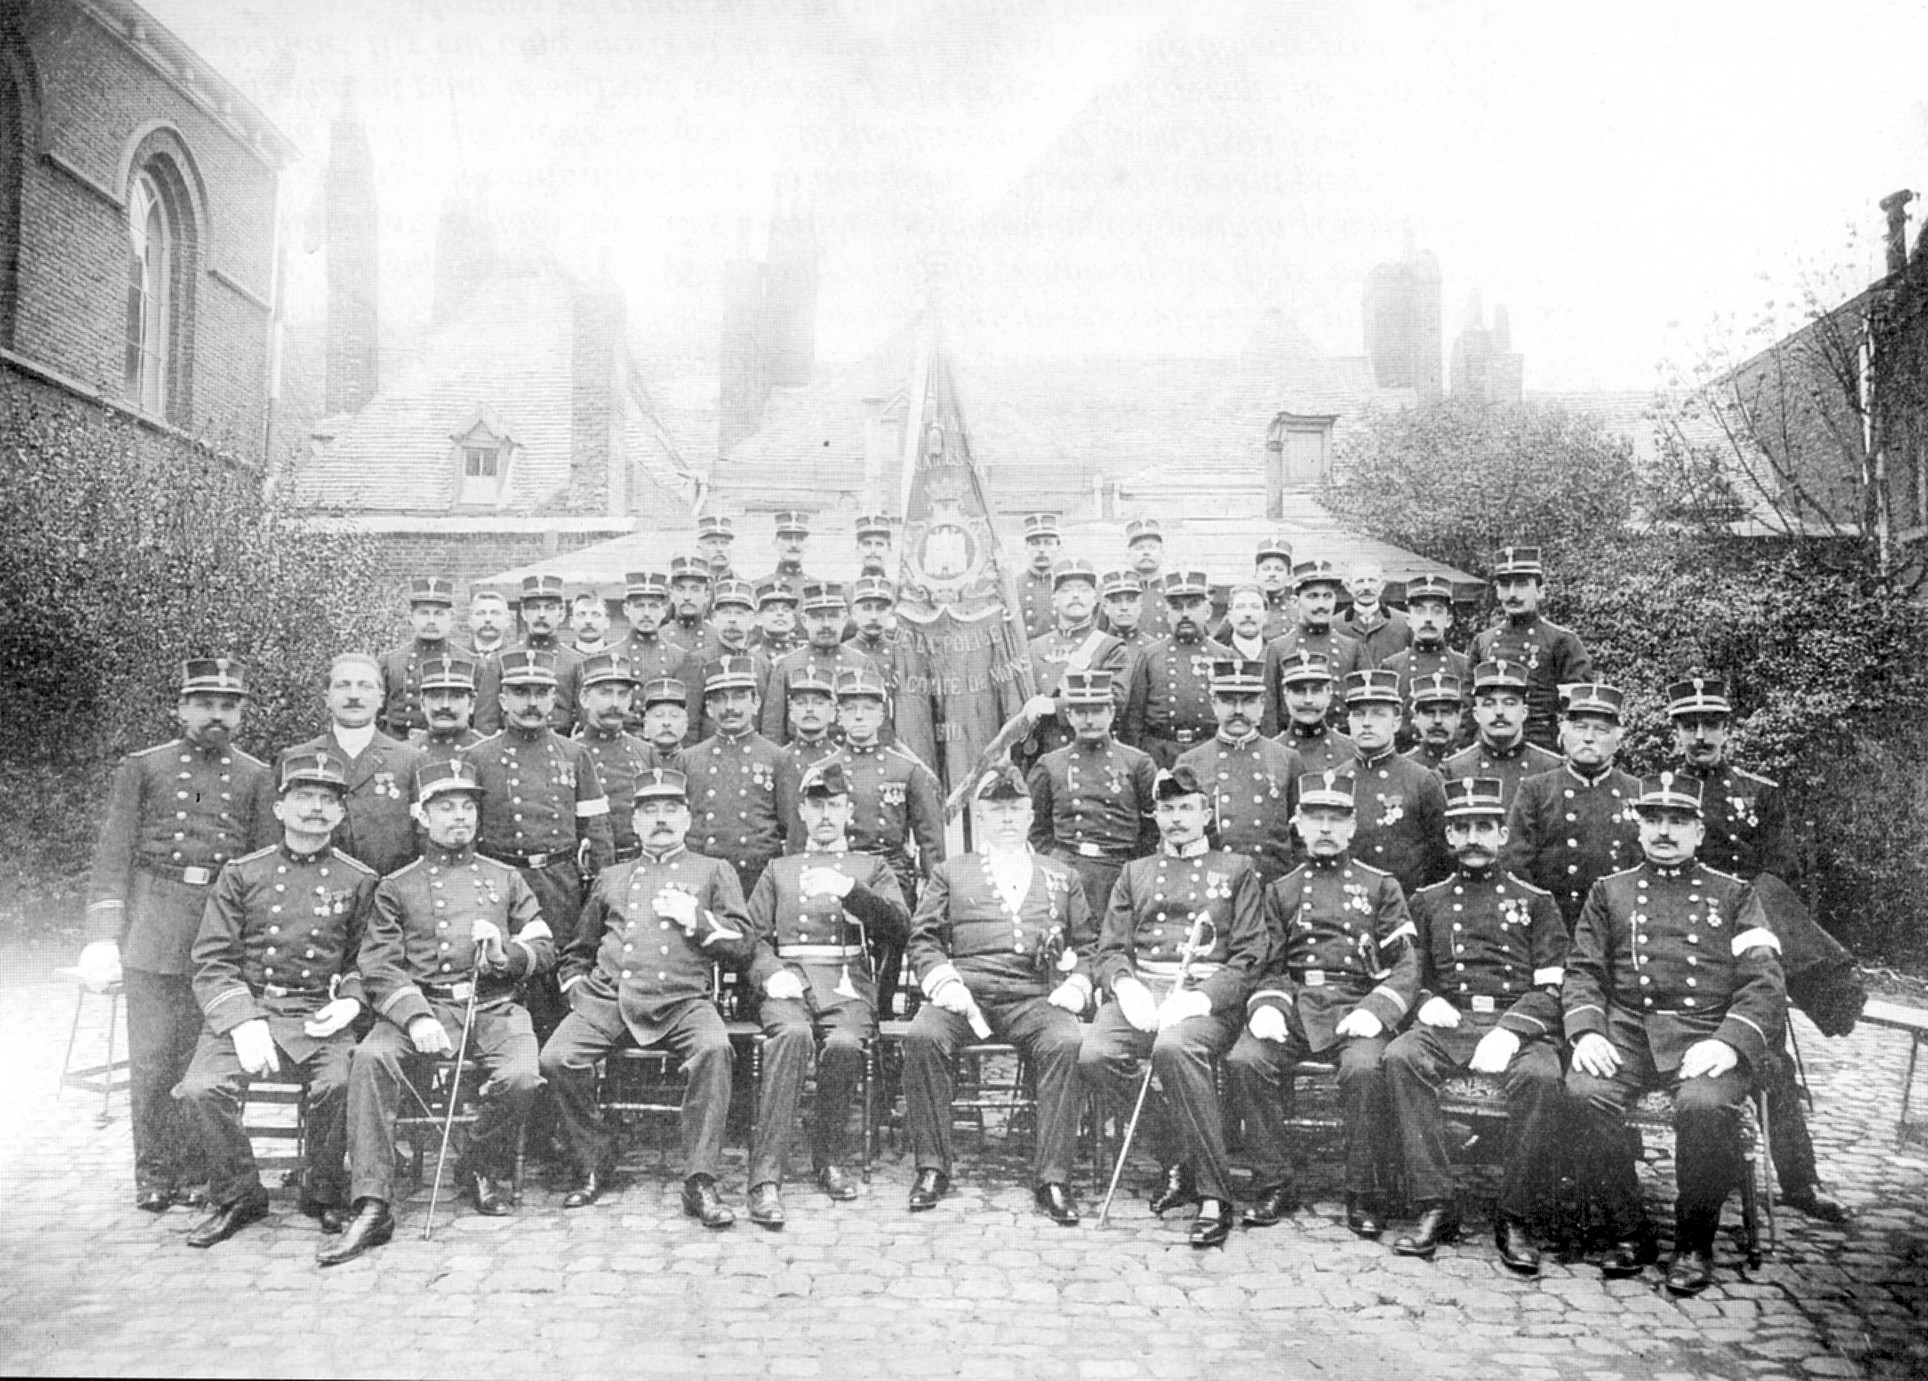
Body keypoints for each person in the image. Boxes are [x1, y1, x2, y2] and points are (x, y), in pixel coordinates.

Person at [320, 759, 554, 1266]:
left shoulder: (506, 879)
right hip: (421, 1007)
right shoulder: (396, 885)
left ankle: (476, 1165)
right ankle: (372, 1200)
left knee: (522, 1077)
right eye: (444, 807)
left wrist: (504, 953)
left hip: (493, 1007)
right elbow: (378, 965)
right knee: (369, 1059)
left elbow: (543, 948)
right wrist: (416, 1015)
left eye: (467, 806)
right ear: (420, 816)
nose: (458, 817)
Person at [1563, 771, 1786, 1295]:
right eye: (1654, 820)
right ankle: (1631, 1231)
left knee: (1705, 1107)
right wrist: (1586, 1032)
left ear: (1700, 831)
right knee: (1584, 1093)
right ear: (1639, 829)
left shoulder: (1736, 895)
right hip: (1626, 1031)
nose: (1665, 831)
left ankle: (1693, 1242)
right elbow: (1583, 971)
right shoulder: (1608, 891)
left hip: (1704, 1033)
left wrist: (1730, 1041)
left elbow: (1764, 978)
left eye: (1678, 821)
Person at [81, 657, 277, 1211]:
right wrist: (102, 933)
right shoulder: (145, 767)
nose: (217, 715)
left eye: (228, 705)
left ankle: (201, 1169)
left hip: (219, 929)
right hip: (154, 923)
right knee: (152, 1059)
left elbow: (261, 865)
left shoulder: (257, 775)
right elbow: (113, 852)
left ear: (240, 713)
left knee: (204, 1060)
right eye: (205, 704)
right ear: (181, 708)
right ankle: (154, 1171)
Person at [1668, 675, 1858, 1222]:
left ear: (1727, 729)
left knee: (1770, 1060)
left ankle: (1801, 1182)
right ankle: (1711, 1166)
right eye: (1689, 724)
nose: (1700, 734)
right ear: (1676, 730)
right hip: (1679, 943)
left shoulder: (1760, 792)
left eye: (1710, 724)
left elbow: (1783, 877)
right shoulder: (1656, 790)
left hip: (1747, 944)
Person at [174, 749, 375, 1248]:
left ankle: (323, 1192)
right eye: (303, 797)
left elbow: (367, 959)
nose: (315, 809)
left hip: (316, 1014)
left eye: (328, 800)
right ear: (280, 808)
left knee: (340, 1083)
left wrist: (351, 1000)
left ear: (341, 813)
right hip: (253, 1007)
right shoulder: (242, 873)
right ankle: (240, 1194)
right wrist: (242, 1020)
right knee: (202, 1088)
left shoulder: (360, 879)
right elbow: (213, 958)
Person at [538, 768, 756, 1227]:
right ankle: (595, 1158)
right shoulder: (612, 876)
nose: (661, 820)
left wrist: (697, 919)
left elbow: (741, 944)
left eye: (671, 810)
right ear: (634, 823)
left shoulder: (714, 872)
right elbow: (578, 950)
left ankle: (700, 1179)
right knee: (557, 1058)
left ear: (688, 819)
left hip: (683, 1000)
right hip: (611, 997)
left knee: (715, 1050)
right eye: (650, 812)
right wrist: (579, 991)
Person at [1079, 764, 1270, 1247]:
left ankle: (1213, 1195)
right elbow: (1110, 948)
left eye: (1187, 808)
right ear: (1155, 815)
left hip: (1205, 1003)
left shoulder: (1238, 870)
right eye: (1167, 809)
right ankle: (1177, 1154)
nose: (1177, 818)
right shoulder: (1135, 872)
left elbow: (1250, 954)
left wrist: (1200, 999)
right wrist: (1125, 986)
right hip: (1146, 994)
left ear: (1207, 812)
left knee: (1174, 1050)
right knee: (1095, 1055)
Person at [1383, 777, 1567, 1272]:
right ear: (1448, 837)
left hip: (1517, 1023)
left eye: (1484, 827)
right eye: (1461, 828)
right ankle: (1434, 1202)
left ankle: (1515, 1215)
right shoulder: (1427, 900)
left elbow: (1553, 986)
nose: (1473, 839)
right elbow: (1408, 970)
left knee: (1544, 1077)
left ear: (1502, 835)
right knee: (1400, 1057)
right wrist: (1422, 1000)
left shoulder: (1536, 901)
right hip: (1451, 1019)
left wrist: (1512, 1029)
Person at [1227, 769, 1417, 1239]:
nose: (1327, 829)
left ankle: (1363, 1192)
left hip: (1358, 1003)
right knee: (1246, 1059)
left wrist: (1376, 1009)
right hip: (1297, 1003)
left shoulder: (1381, 886)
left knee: (1366, 1071)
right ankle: (1275, 1182)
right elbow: (1267, 963)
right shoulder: (1281, 889)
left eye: (1337, 819)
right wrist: (1267, 1006)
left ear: (1352, 827)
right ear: (1298, 824)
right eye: (1316, 819)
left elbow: (1406, 964)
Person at [902, 765, 1095, 1223]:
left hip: (1035, 998)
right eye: (996, 810)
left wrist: (1078, 982)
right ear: (981, 819)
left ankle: (1053, 1178)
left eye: (1015, 809)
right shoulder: (951, 872)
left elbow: (1089, 946)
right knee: (922, 1036)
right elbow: (923, 939)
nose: (1007, 818)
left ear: (1030, 815)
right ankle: (932, 1167)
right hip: (966, 993)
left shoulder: (1061, 876)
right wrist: (943, 980)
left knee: (1066, 1041)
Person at [742, 761, 911, 1226]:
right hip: (789, 981)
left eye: (834, 805)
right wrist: (769, 972)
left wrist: (852, 891)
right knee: (791, 1038)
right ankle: (766, 1177)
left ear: (849, 810)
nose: (825, 816)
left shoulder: (870, 867)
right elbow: (751, 936)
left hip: (846, 981)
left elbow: (901, 928)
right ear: (800, 811)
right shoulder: (779, 869)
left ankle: (828, 1155)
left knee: (841, 1045)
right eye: (816, 806)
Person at [465, 649, 614, 1039]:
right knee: (502, 978)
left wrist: (602, 892)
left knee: (556, 979)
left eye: (540, 692)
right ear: (502, 700)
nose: (531, 702)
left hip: (558, 884)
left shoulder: (574, 754)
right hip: (500, 885)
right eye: (520, 692)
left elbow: (595, 829)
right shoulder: (478, 757)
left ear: (554, 699)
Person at [1502, 682, 1641, 934]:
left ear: (1618, 739)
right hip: (1556, 927)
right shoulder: (1536, 790)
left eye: (1601, 729)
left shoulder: (1638, 793)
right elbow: (1515, 866)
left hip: (1622, 927)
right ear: (1563, 733)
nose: (1589, 738)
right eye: (1580, 728)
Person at [1025, 670, 1159, 917]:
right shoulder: (1050, 765)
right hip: (1067, 871)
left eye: (1096, 711)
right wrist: (1055, 864)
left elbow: (1152, 829)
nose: (1089, 720)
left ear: (1111, 712)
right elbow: (1036, 828)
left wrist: (1135, 869)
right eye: (1080, 711)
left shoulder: (1137, 763)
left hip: (1120, 871)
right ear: (1069, 715)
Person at [280, 653, 424, 878]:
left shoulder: (410, 760)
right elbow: (274, 840)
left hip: (387, 892)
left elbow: (423, 839)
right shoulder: (296, 759)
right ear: (327, 698)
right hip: (313, 889)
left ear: (381, 698)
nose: (354, 696)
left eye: (365, 686)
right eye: (343, 686)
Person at [680, 655, 800, 899]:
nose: (730, 707)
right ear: (709, 708)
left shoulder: (777, 758)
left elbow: (790, 829)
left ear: (756, 703)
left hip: (757, 878)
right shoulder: (688, 759)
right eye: (720, 699)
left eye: (739, 697)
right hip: (704, 878)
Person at [1176, 659, 1303, 885]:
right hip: (1211, 884)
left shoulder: (1286, 759)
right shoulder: (1191, 762)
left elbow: (1300, 835)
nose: (1238, 711)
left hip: (1271, 882)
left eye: (1248, 701)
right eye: (1227, 701)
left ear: (1262, 704)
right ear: (1213, 703)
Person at [1340, 670, 1451, 898]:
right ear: (1349, 721)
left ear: (1397, 722)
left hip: (1407, 905)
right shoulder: (1336, 780)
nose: (1367, 724)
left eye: (1379, 715)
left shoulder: (1422, 780)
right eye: (1359, 715)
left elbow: (1443, 856)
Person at [1469, 546, 1592, 750]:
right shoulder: (1483, 642)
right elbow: (1469, 708)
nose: (1512, 594)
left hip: (1543, 747)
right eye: (1506, 586)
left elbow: (1579, 708)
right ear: (1498, 592)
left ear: (1540, 591)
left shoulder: (1562, 641)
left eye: (1522, 585)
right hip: (1489, 748)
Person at [1019, 558, 1130, 768]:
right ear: (1054, 599)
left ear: (1095, 598)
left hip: (1089, 753)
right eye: (1067, 590)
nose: (1076, 595)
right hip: (1041, 754)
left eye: (1083, 589)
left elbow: (1116, 699)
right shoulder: (1034, 647)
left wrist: (1055, 706)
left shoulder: (1110, 647)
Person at [1122, 569, 1231, 767]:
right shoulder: (1150, 655)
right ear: (1167, 613)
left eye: (1193, 606)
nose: (1185, 614)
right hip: (1159, 753)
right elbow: (1135, 717)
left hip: (1209, 751)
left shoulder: (1223, 656)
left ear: (1207, 612)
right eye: (1177, 607)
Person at [1259, 559, 1365, 733]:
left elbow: (1364, 706)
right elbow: (1268, 709)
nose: (1321, 605)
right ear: (1295, 602)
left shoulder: (1353, 648)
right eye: (1312, 596)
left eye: (1327, 596)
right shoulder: (1277, 649)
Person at [763, 583, 876, 744]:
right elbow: (772, 729)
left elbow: (876, 724)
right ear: (804, 620)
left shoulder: (862, 664)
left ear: (844, 618)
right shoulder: (787, 665)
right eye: (818, 617)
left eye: (832, 616)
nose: (826, 624)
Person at [1441, 659, 1562, 809]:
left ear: (1524, 712)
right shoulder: (1454, 769)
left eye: (1509, 703)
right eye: (1489, 704)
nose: (1499, 712)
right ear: (1476, 714)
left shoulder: (1552, 767)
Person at [475, 574, 584, 735]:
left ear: (561, 614)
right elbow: (486, 723)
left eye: (549, 608)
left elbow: (584, 723)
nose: (541, 614)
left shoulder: (576, 662)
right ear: (523, 613)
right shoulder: (500, 661)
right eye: (534, 607)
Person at [574, 653, 653, 863]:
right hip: (592, 867)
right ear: (584, 698)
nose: (615, 703)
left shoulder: (646, 752)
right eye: (606, 694)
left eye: (623, 694)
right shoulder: (571, 753)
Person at [1380, 574, 1469, 749]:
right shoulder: (1392, 667)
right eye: (1420, 610)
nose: (1428, 618)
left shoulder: (1464, 666)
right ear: (1409, 620)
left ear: (1448, 620)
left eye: (1436, 611)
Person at [613, 571, 702, 739]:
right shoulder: (612, 655)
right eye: (639, 606)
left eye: (653, 606)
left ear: (664, 610)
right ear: (626, 609)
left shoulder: (681, 658)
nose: (646, 614)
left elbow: (689, 721)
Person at [378, 577, 464, 738]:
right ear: (411, 617)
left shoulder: (468, 662)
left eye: (438, 614)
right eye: (424, 613)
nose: (431, 621)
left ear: (451, 617)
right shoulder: (389, 662)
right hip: (399, 745)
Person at [1268, 649, 1357, 774]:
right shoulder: (1269, 753)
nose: (1308, 700)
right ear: (1286, 695)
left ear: (1329, 694)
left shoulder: (1351, 750)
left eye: (1316, 691)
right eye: (1299, 691)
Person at [1212, 535, 1293, 643]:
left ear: (1289, 577)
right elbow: (1218, 648)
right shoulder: (1240, 611)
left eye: (1279, 569)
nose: (1272, 574)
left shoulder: (1297, 612)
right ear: (1256, 574)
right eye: (1266, 569)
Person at [407, 655, 484, 766]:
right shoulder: (405, 754)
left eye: (456, 697)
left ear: (471, 703)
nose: (445, 705)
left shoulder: (487, 753)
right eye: (435, 696)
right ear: (422, 702)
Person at [1336, 562, 1410, 667]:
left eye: (1372, 580)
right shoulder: (1335, 625)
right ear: (1348, 587)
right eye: (1360, 581)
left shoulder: (1404, 623)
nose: (1366, 587)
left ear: (1382, 585)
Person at [1402, 672, 1466, 772]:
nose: (1437, 720)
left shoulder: (1470, 765)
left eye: (1445, 712)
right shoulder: (1403, 768)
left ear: (1458, 717)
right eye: (1429, 712)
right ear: (1416, 717)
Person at [782, 670, 842, 777]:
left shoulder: (842, 760)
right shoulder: (778, 760)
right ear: (790, 710)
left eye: (818, 703)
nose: (809, 709)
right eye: (801, 703)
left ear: (832, 710)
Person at [1016, 512, 1063, 640]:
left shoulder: (1066, 585)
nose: (1041, 549)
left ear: (1059, 547)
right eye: (1035, 543)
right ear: (1026, 547)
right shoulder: (1014, 586)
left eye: (1048, 543)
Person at [1123, 517, 1172, 639]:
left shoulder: (1172, 591)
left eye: (1151, 547)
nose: (1146, 552)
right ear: (1128, 554)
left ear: (1162, 552)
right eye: (1139, 548)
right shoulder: (1118, 594)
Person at [760, 510, 818, 604]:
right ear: (775, 544)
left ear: (808, 545)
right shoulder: (762, 587)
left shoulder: (816, 588)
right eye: (787, 538)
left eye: (800, 539)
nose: (794, 545)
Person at [637, 677, 691, 772]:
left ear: (686, 724)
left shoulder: (694, 763)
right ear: (645, 724)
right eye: (658, 715)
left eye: (674, 715)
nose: (666, 723)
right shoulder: (635, 762)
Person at [663, 556, 716, 654]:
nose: (687, 597)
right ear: (671, 595)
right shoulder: (661, 637)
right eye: (680, 589)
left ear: (707, 595)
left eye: (695, 589)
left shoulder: (717, 638)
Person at [1215, 583, 1273, 665]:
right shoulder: (1216, 656)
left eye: (1255, 607)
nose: (1248, 614)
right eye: (1240, 607)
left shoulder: (1277, 655)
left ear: (1266, 616)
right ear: (1230, 616)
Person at [752, 578, 804, 661]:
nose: (780, 613)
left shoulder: (803, 657)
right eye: (771, 610)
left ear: (793, 620)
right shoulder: (753, 658)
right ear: (758, 619)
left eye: (786, 610)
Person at [1097, 569, 1150, 649]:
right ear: (1105, 607)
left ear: (1140, 605)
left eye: (1131, 600)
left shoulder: (1153, 648)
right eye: (1116, 601)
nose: (1124, 607)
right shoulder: (1094, 646)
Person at [465, 588, 512, 660]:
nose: (488, 619)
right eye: (480, 613)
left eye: (495, 613)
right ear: (470, 620)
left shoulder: (516, 657)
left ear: (508, 620)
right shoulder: (457, 657)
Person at [568, 590, 614, 656]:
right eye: (581, 614)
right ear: (571, 622)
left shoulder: (618, 662)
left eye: (595, 614)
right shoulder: (559, 661)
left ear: (607, 622)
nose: (588, 621)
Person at [696, 513, 737, 582]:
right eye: (712, 543)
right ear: (699, 548)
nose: (719, 549)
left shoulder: (746, 589)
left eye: (725, 543)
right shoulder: (687, 588)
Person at [854, 513, 895, 578]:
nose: (873, 550)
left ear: (889, 549)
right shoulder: (849, 588)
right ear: (857, 548)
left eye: (879, 544)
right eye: (867, 544)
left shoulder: (898, 588)